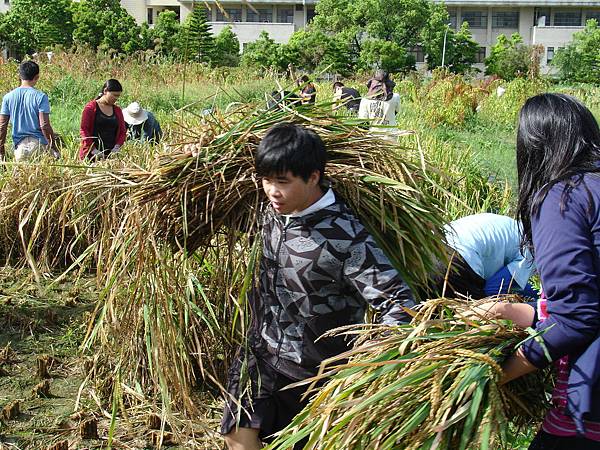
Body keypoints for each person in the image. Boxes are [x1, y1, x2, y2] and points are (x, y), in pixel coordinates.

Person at [221, 123, 416, 450]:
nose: (272, 191)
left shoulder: (347, 238)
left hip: (313, 372)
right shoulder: (270, 210)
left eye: (282, 182)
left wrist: (369, 368)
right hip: (261, 349)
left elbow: (399, 307)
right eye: (266, 180)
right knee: (237, 434)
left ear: (313, 177)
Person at [493, 94, 600, 449]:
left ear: (533, 145)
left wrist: (494, 375)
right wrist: (526, 311)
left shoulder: (565, 195)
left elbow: (577, 318)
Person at [430, 213, 537, 300]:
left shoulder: (513, 227)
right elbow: (493, 290)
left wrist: (535, 295)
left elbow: (514, 282)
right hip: (457, 261)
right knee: (480, 311)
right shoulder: (533, 248)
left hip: (432, 249)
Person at [0, 60, 59, 161]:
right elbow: (44, 125)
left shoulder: (8, 97)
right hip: (38, 148)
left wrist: (1, 151)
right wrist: (53, 148)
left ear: (20, 76)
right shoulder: (40, 97)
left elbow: (2, 126)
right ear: (36, 77)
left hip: (20, 150)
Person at [79, 79, 126, 160]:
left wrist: (117, 146)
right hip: (91, 155)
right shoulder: (91, 108)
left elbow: (122, 131)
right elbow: (84, 130)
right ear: (105, 91)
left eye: (118, 96)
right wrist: (93, 149)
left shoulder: (117, 111)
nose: (116, 98)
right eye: (114, 95)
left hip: (110, 156)